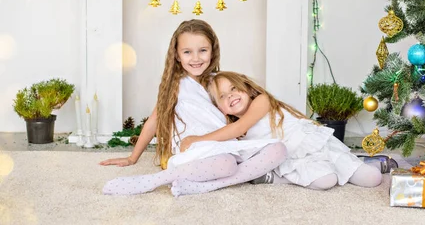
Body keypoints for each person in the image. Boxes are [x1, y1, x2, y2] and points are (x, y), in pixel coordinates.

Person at [100, 19, 287, 196]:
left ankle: (203, 186)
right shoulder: (175, 86)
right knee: (227, 163)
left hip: (223, 144)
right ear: (177, 55)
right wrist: (133, 158)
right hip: (194, 149)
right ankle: (152, 181)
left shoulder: (219, 82)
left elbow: (245, 105)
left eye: (203, 50)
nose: (196, 58)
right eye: (187, 52)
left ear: (212, 51)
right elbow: (154, 121)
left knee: (278, 150)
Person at [171, 71, 382, 196]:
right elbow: (235, 135)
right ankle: (275, 178)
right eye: (223, 97)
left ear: (246, 87)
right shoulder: (237, 133)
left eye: (234, 88)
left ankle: (370, 163)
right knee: (327, 181)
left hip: (312, 144)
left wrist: (196, 140)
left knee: (373, 179)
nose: (231, 96)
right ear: (221, 109)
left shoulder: (261, 101)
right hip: (292, 158)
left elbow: (239, 127)